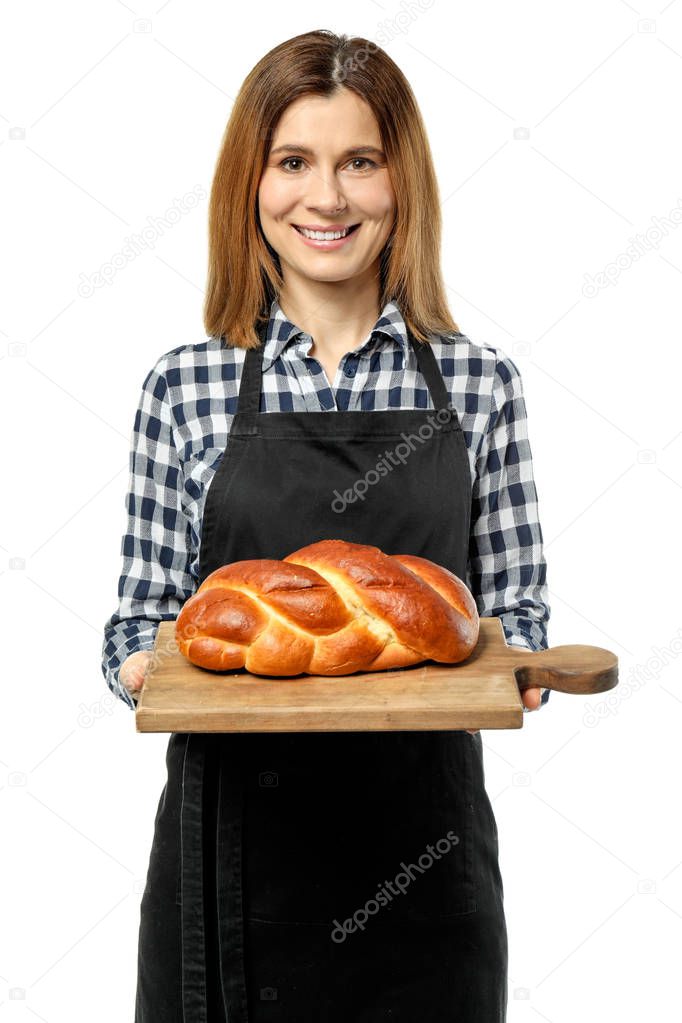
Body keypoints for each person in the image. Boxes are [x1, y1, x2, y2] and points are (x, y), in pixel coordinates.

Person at [101, 29, 550, 1023]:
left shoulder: (480, 384)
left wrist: (520, 663)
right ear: (250, 186)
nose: (328, 198)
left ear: (402, 182)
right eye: (293, 162)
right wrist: (148, 668)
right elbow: (136, 626)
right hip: (230, 877)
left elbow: (512, 609)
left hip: (427, 877)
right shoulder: (185, 387)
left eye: (360, 162)